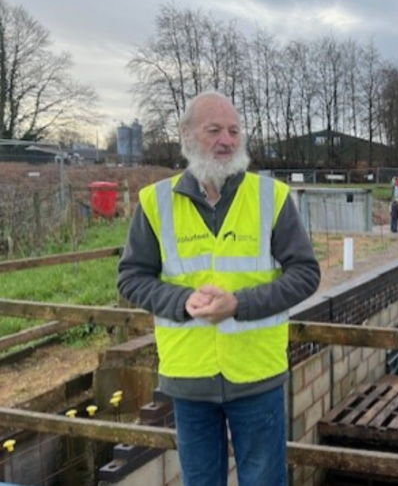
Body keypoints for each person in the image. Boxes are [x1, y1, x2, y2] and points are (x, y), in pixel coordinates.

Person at [117, 91, 320, 486]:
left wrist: (239, 304)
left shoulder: (271, 197)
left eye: (234, 130)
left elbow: (305, 273)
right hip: (189, 379)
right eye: (214, 130)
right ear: (188, 135)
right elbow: (131, 277)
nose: (227, 140)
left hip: (256, 375)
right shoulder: (156, 202)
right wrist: (180, 300)